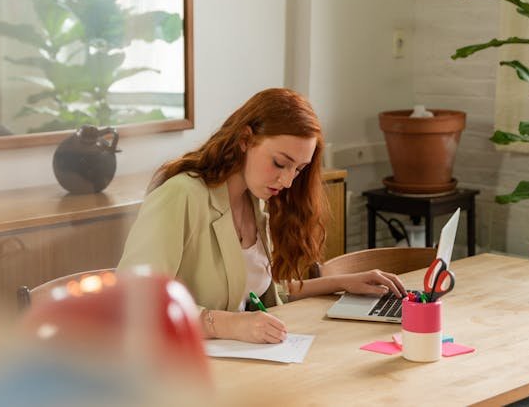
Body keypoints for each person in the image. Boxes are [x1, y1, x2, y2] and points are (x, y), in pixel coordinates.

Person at [117, 88, 406, 344]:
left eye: (298, 169)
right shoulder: (181, 195)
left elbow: (264, 290)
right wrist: (229, 325)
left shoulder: (255, 201)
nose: (288, 181)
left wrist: (344, 282)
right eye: (280, 163)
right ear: (245, 139)